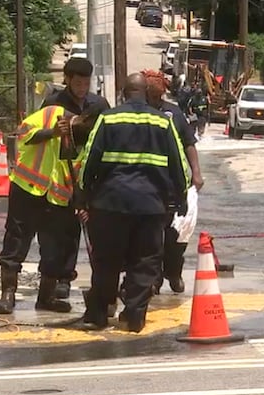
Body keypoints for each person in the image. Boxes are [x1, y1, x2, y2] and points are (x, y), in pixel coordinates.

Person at [76, 73, 189, 332]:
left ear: (123, 93)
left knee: (106, 260)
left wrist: (82, 195)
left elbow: (89, 160)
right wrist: (181, 197)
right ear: (147, 94)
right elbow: (179, 164)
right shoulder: (162, 122)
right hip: (150, 206)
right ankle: (134, 315)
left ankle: (100, 313)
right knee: (145, 261)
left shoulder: (108, 118)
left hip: (109, 204)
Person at [0, 104, 102, 315]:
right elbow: (23, 134)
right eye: (90, 126)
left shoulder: (87, 142)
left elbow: (81, 175)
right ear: (84, 117)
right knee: (16, 242)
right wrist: (51, 133)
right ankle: (8, 294)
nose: (91, 132)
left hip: (57, 200)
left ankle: (46, 297)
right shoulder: (51, 114)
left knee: (55, 249)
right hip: (27, 189)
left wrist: (82, 202)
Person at [40, 57, 111, 300]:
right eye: (78, 82)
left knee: (98, 232)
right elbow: (38, 133)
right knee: (65, 231)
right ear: (68, 80)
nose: (82, 88)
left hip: (91, 177)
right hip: (63, 177)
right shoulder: (53, 104)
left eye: (86, 83)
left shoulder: (99, 105)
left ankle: (101, 282)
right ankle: (63, 277)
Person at [141, 69, 204, 294]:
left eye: (159, 95)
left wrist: (196, 173)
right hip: (147, 186)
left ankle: (174, 272)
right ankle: (154, 278)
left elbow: (189, 143)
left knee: (176, 235)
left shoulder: (174, 113)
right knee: (150, 236)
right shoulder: (139, 112)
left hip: (173, 184)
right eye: (151, 95)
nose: (156, 99)